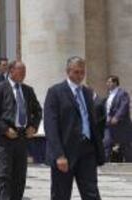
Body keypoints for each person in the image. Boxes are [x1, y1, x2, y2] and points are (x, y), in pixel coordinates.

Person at [44, 56, 105, 200]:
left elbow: (93, 121)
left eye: (82, 72)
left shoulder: (87, 92)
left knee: (92, 194)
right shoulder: (55, 92)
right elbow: (50, 126)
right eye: (76, 72)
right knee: (61, 195)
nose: (79, 76)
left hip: (87, 151)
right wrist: (59, 154)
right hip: (65, 152)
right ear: (68, 71)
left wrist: (98, 148)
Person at [0, 60, 42, 200]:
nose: (23, 74)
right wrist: (4, 129)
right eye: (20, 71)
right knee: (5, 175)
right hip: (5, 138)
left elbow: (38, 110)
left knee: (20, 175)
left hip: (22, 137)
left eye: (24, 72)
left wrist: (34, 126)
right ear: (11, 71)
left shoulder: (28, 90)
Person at [103, 75, 132, 162]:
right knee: (106, 143)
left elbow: (124, 106)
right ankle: (105, 164)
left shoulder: (122, 93)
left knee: (125, 147)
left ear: (115, 83)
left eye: (109, 82)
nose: (107, 84)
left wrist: (117, 117)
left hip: (121, 126)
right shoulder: (109, 95)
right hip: (109, 125)